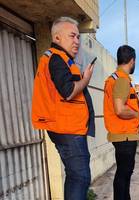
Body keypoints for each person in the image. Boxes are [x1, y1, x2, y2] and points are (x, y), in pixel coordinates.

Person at [31, 16, 95, 200]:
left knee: (76, 177)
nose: (77, 41)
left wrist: (80, 78)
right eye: (72, 36)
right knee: (80, 178)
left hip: (68, 128)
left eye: (78, 37)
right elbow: (68, 92)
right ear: (57, 38)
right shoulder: (57, 58)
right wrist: (86, 79)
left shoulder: (61, 59)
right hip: (67, 129)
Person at [103, 45, 139, 200]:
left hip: (122, 134)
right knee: (124, 174)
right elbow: (120, 109)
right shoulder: (122, 80)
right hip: (124, 135)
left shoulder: (114, 78)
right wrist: (136, 114)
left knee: (123, 174)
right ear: (132, 61)